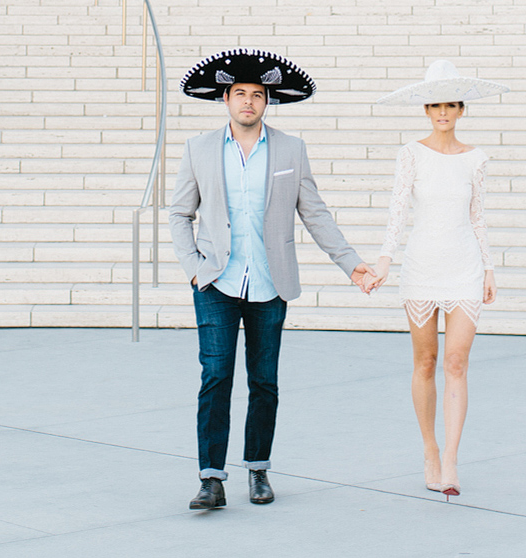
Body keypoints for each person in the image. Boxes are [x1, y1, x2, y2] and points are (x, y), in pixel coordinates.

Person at [168, 47, 380, 511]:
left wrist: (351, 263)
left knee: (264, 381)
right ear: (225, 99)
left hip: (270, 282)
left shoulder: (291, 149)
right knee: (216, 376)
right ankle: (211, 479)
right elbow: (180, 213)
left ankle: (258, 469)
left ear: (268, 101)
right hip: (216, 283)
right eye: (240, 93)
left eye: (257, 95)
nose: (248, 102)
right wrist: (193, 269)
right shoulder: (198, 148)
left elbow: (315, 213)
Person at [371, 59, 508, 498]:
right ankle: (429, 449)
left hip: (464, 266)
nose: (443, 112)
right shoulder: (411, 154)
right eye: (435, 105)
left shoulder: (476, 159)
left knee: (457, 363)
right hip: (422, 267)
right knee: (426, 361)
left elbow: (479, 216)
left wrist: (488, 267)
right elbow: (398, 209)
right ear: (426, 110)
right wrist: (386, 258)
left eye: (450, 105)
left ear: (461, 109)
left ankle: (451, 459)